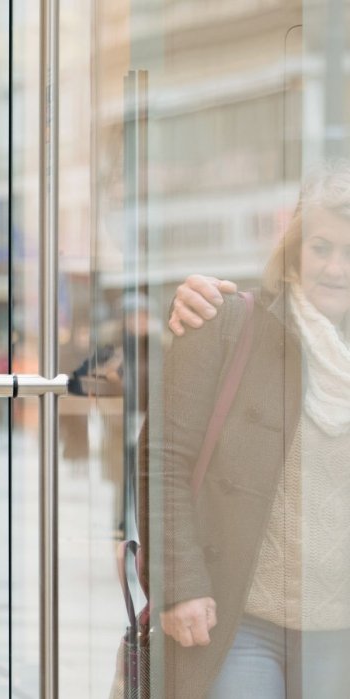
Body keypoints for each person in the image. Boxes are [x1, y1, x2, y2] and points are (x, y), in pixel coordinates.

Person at [144, 164, 350, 697]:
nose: (336, 267)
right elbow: (162, 458)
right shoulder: (225, 323)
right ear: (296, 249)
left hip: (341, 631)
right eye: (322, 247)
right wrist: (179, 584)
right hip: (240, 620)